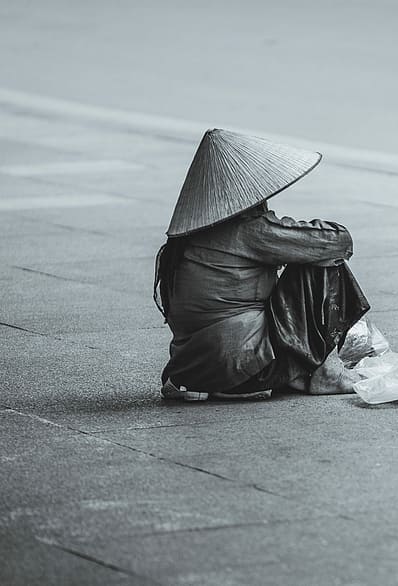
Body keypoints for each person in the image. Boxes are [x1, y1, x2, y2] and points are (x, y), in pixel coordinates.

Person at [154, 129, 370, 401]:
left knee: (308, 254)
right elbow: (338, 240)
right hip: (240, 367)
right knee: (322, 264)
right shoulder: (247, 230)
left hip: (193, 369)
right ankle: (326, 372)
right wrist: (279, 227)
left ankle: (304, 371)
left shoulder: (185, 239)